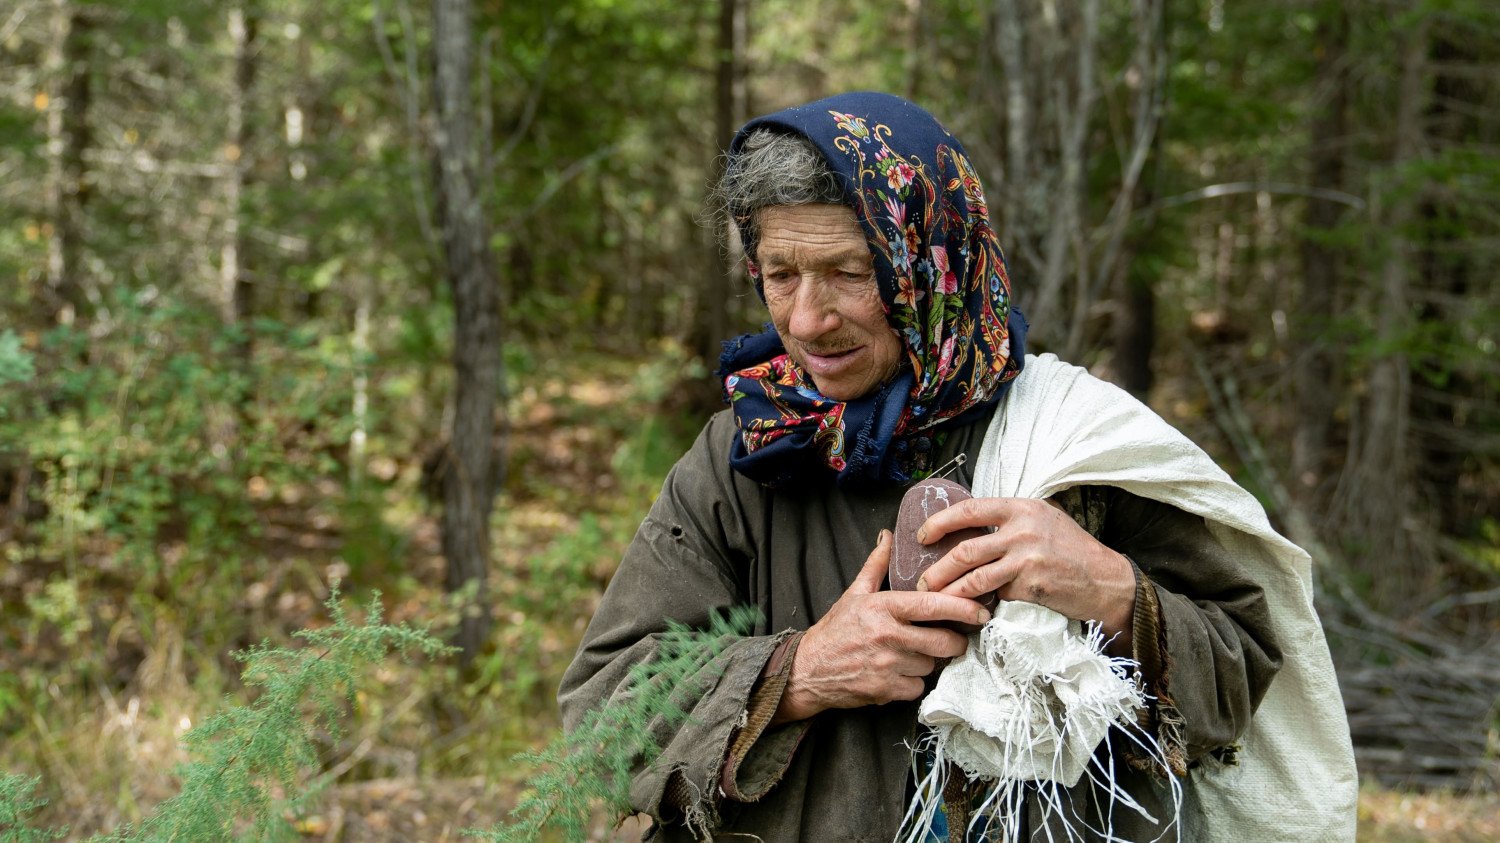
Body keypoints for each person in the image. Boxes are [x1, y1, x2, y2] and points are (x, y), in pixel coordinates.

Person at [559, 92, 1356, 841]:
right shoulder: (746, 454)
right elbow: (604, 709)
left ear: (929, 261)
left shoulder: (1073, 437)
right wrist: (802, 670)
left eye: (849, 272)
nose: (807, 318)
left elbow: (1241, 663)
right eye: (780, 275)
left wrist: (1110, 588)